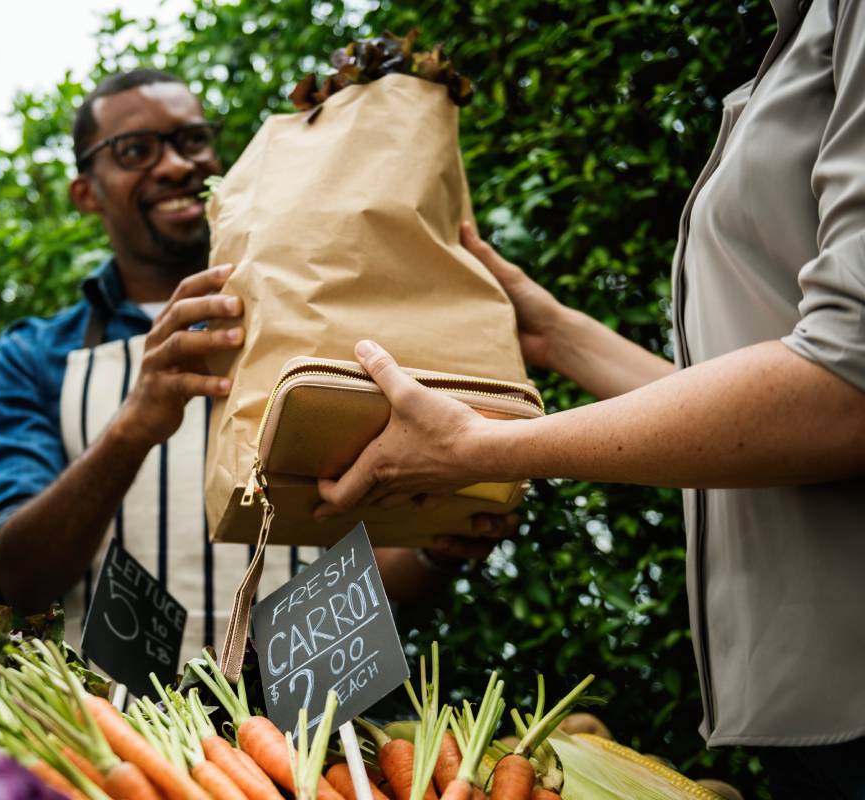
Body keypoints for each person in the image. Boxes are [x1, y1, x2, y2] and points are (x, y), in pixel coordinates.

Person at [315, 0, 865, 795]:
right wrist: (556, 335)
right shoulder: (804, 28)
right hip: (815, 697)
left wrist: (479, 448)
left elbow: (844, 386)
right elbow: (763, 416)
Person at [0, 69, 502, 657]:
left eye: (192, 140)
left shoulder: (326, 317)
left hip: (314, 725)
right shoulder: (34, 356)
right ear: (86, 192)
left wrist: (437, 547)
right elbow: (18, 582)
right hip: (119, 732)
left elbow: (372, 562)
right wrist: (131, 427)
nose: (175, 164)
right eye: (135, 151)